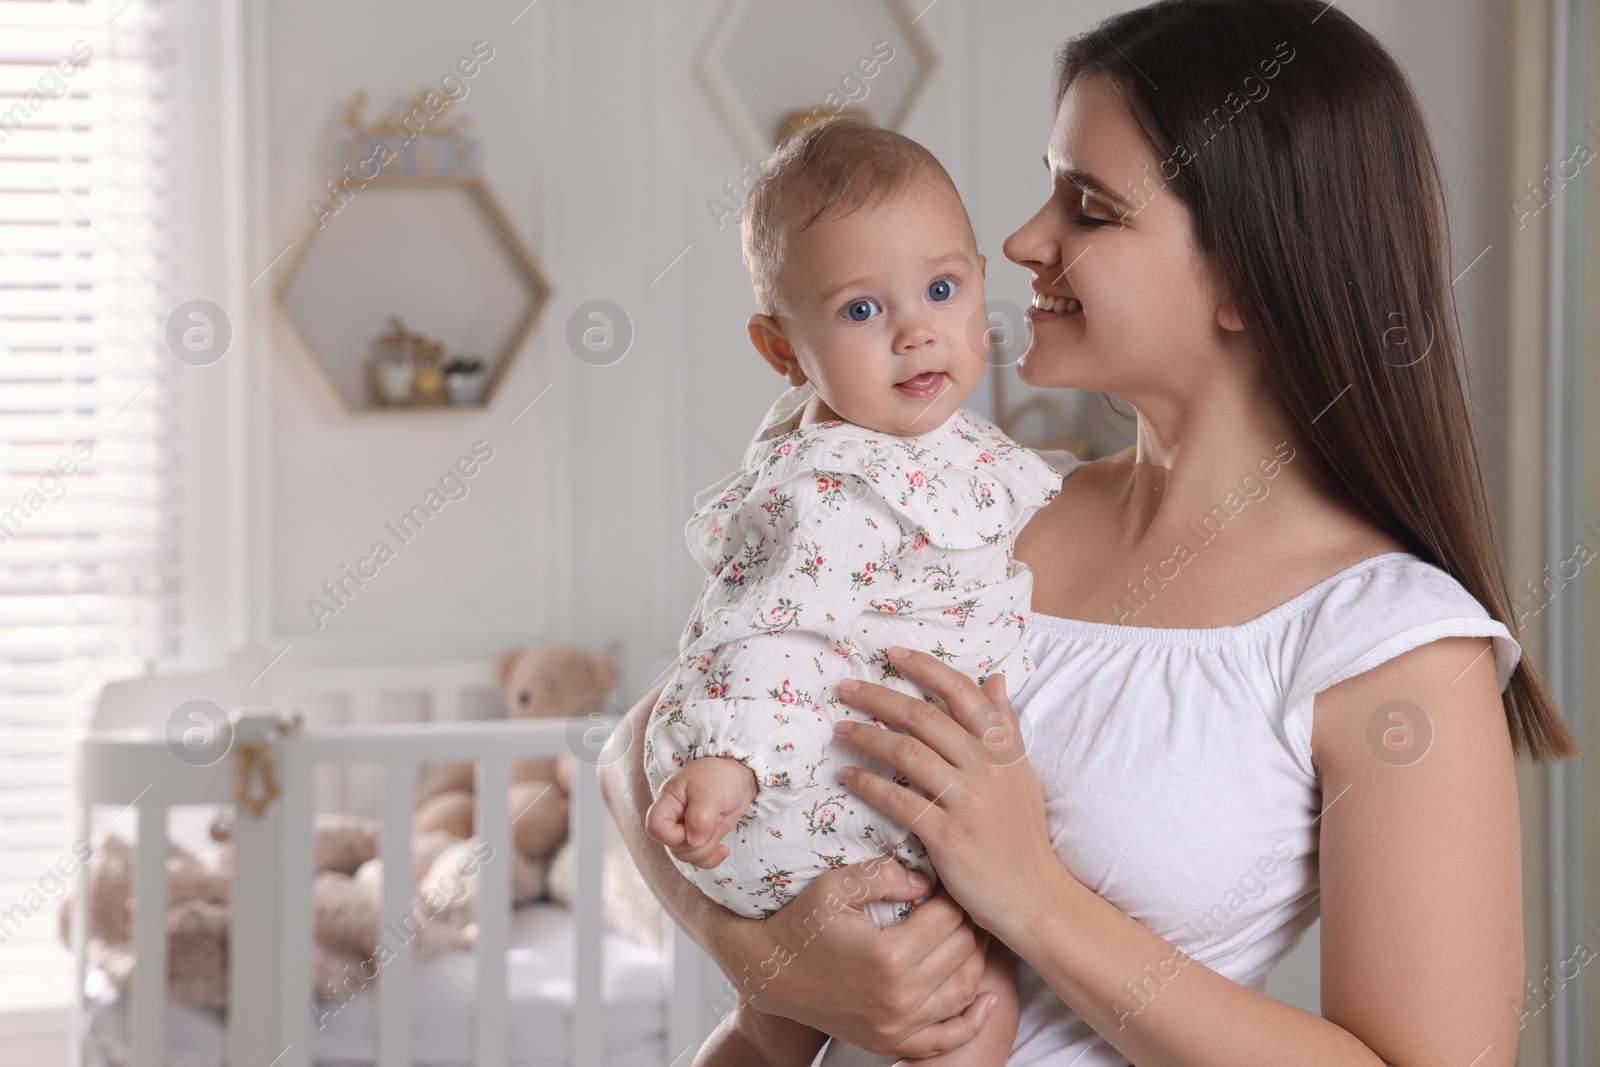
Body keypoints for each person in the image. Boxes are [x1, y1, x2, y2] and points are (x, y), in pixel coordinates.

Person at [601, 1, 1584, 1063]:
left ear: (1247, 278)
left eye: (1090, 207)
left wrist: (1031, 896)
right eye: (1046, 186)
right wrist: (768, 959)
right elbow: (639, 746)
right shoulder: (973, 510)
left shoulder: (1387, 642)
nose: (1022, 242)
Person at [641, 116, 1062, 1066]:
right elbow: (762, 635)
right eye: (862, 311)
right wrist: (733, 766)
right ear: (783, 350)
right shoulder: (831, 489)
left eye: (941, 290)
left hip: (844, 800)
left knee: (768, 1029)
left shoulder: (949, 452)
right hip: (810, 804)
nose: (917, 330)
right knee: (975, 1010)